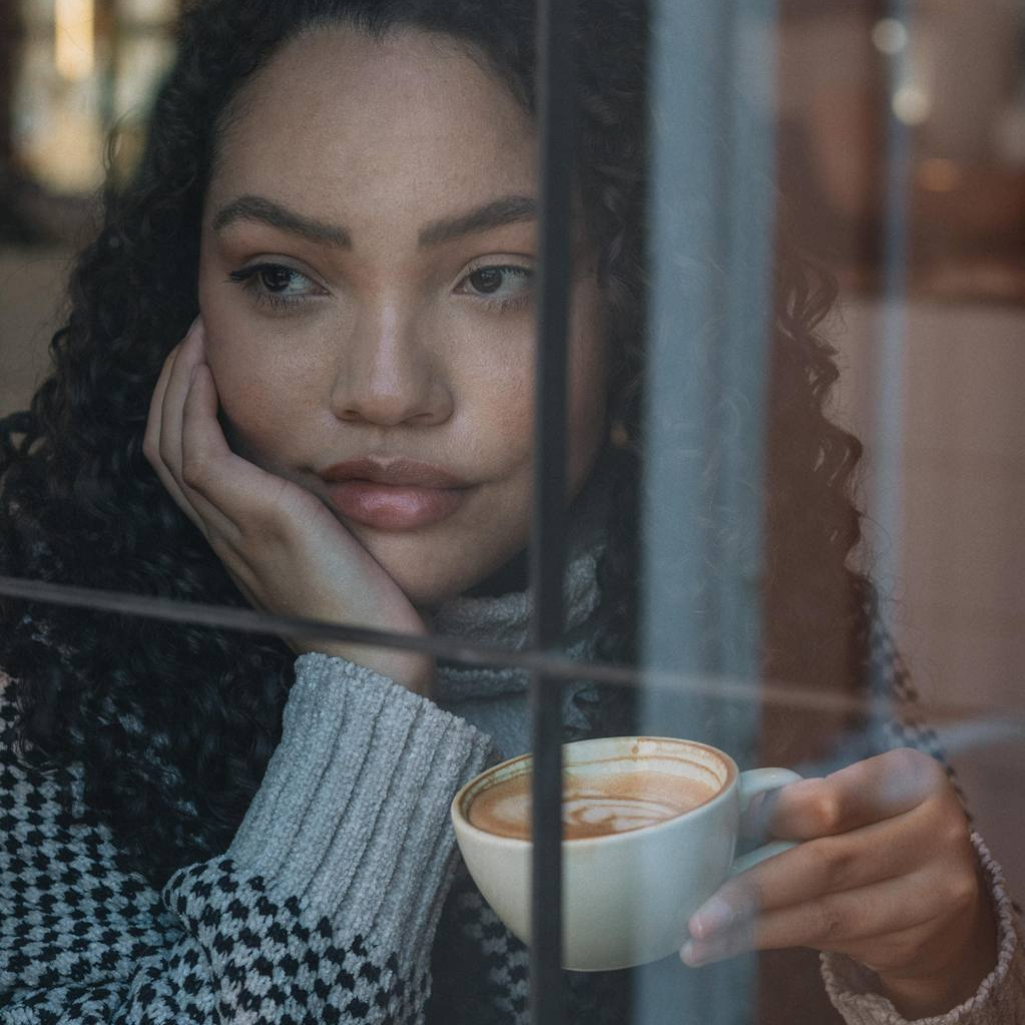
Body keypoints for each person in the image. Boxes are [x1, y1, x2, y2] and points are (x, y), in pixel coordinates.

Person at [0, 0, 1021, 1022]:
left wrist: (943, 967)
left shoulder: (754, 592)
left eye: (494, 277)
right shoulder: (44, 655)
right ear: (184, 301)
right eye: (282, 276)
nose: (387, 390)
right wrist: (364, 690)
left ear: (624, 305)